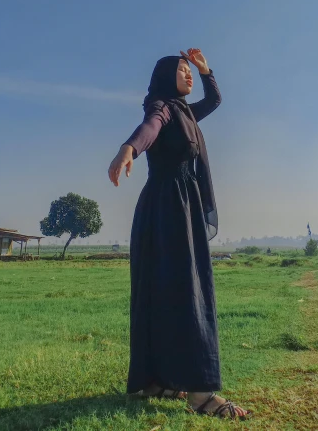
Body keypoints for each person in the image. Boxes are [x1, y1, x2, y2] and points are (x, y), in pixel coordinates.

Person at [108, 49, 252, 420]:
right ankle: (200, 394)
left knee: (171, 290)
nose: (188, 75)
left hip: (178, 207)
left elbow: (215, 99)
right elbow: (150, 127)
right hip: (167, 208)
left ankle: (158, 380)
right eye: (182, 70)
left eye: (190, 70)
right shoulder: (163, 107)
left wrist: (208, 71)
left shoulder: (187, 112)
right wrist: (130, 148)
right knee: (186, 291)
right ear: (165, 75)